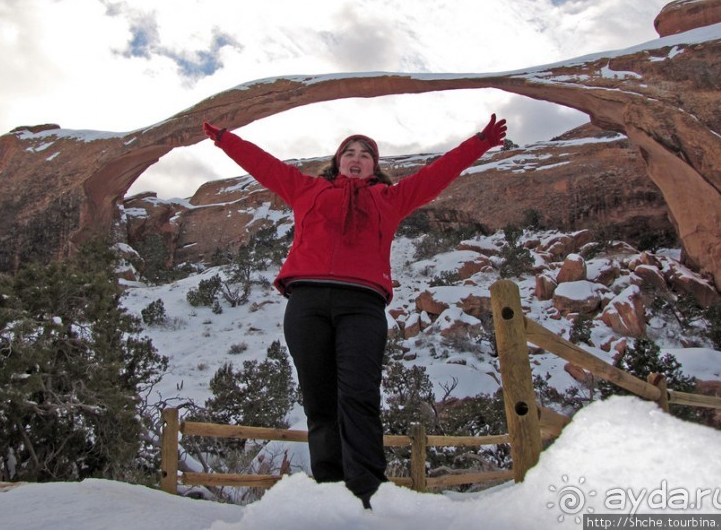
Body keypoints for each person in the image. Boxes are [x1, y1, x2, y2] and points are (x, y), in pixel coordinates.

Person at [201, 114, 507, 508]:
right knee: (319, 403)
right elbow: (263, 164)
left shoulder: (390, 199)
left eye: (366, 154)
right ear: (338, 160)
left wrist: (479, 142)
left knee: (359, 397)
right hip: (306, 303)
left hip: (361, 305)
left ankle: (368, 495)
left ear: (375, 167)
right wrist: (226, 140)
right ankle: (331, 497)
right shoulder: (306, 189)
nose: (357, 158)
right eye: (350, 152)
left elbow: (437, 173)